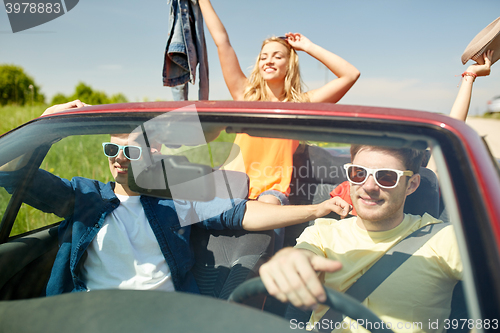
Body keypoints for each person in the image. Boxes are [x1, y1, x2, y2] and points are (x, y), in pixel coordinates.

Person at [0, 101, 352, 296]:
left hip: (165, 317)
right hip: (90, 317)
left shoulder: (175, 200)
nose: (119, 158)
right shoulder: (83, 195)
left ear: (153, 154)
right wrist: (45, 124)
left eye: (131, 152)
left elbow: (242, 214)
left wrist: (317, 209)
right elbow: (14, 175)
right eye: (112, 149)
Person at [259, 144, 461, 333]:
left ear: (411, 185)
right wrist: (288, 262)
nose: (369, 186)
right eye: (359, 174)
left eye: (387, 177)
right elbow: (301, 256)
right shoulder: (322, 233)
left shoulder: (442, 238)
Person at [199, 0, 360, 207]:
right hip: (231, 184)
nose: (269, 61)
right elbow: (222, 42)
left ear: (289, 64)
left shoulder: (301, 104)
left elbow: (350, 75)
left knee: (268, 205)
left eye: (277, 56)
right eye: (263, 57)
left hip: (271, 192)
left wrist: (307, 47)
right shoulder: (245, 96)